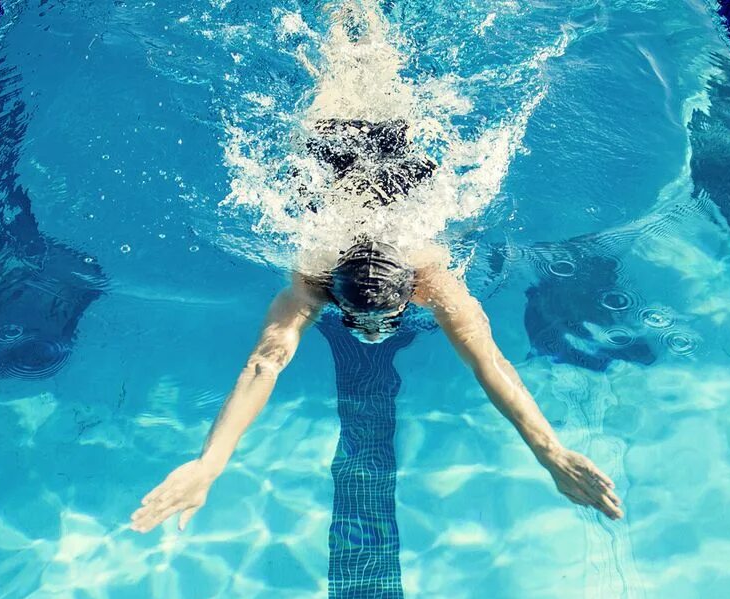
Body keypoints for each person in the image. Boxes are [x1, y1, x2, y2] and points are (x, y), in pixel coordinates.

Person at [129, 4, 623, 534]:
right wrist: (546, 450)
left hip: (350, 152)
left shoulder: (389, 274)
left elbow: (266, 362)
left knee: (352, 61)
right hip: (347, 148)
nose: (372, 332)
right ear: (406, 295)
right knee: (351, 59)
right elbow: (487, 362)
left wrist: (213, 462)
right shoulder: (354, 275)